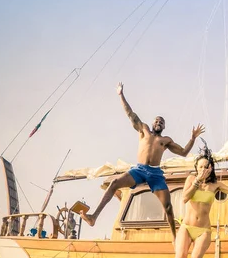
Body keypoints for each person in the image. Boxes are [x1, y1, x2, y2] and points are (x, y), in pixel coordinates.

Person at [80, 82, 205, 240]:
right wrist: (121, 95)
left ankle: (175, 238)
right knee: (114, 184)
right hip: (139, 170)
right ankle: (93, 217)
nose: (158, 123)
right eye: (156, 121)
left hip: (155, 173)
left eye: (161, 122)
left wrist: (192, 138)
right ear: (153, 123)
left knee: (168, 206)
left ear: (164, 126)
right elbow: (130, 114)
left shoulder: (166, 140)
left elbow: (184, 152)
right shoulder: (144, 129)